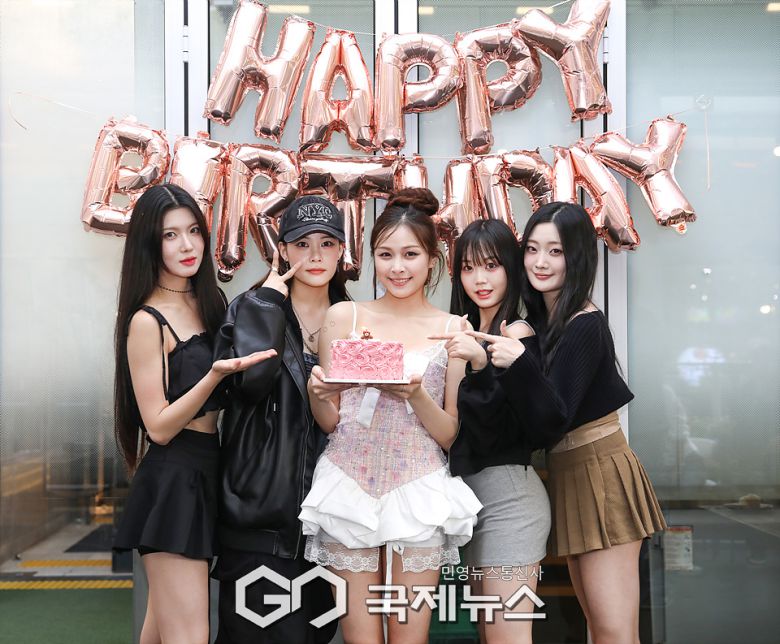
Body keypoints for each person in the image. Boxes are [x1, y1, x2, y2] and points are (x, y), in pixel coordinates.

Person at [468, 202, 666, 644]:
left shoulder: (583, 323)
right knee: (595, 623)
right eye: (532, 249)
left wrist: (518, 362)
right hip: (569, 472)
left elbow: (552, 418)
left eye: (555, 251)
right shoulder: (544, 321)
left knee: (613, 629)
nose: (540, 261)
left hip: (600, 472)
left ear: (576, 256)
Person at [302, 188, 482, 644]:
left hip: (418, 488)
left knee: (410, 639)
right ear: (372, 259)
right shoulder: (344, 316)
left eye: (410, 254)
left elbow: (450, 434)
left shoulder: (454, 329)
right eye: (385, 255)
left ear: (432, 260)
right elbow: (331, 420)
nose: (397, 267)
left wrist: (416, 394)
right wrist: (317, 394)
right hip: (348, 484)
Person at [113, 184, 275, 644]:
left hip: (209, 471)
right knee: (188, 634)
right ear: (150, 243)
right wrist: (212, 376)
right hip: (173, 480)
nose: (186, 245)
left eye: (193, 232)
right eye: (170, 235)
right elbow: (159, 427)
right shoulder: (147, 320)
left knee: (162, 631)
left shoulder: (210, 302)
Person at [212, 196, 349, 644]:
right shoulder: (252, 307)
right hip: (261, 522)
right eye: (302, 243)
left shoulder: (353, 318)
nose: (315, 255)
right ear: (283, 250)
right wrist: (270, 301)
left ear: (341, 250)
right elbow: (250, 384)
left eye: (327, 243)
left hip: (331, 525)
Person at [432, 218, 550, 643]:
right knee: (489, 634)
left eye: (491, 265)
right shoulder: (463, 332)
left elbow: (511, 424)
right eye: (468, 267)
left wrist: (481, 364)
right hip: (471, 503)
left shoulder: (516, 333)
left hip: (510, 502)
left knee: (507, 637)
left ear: (511, 269)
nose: (479, 279)